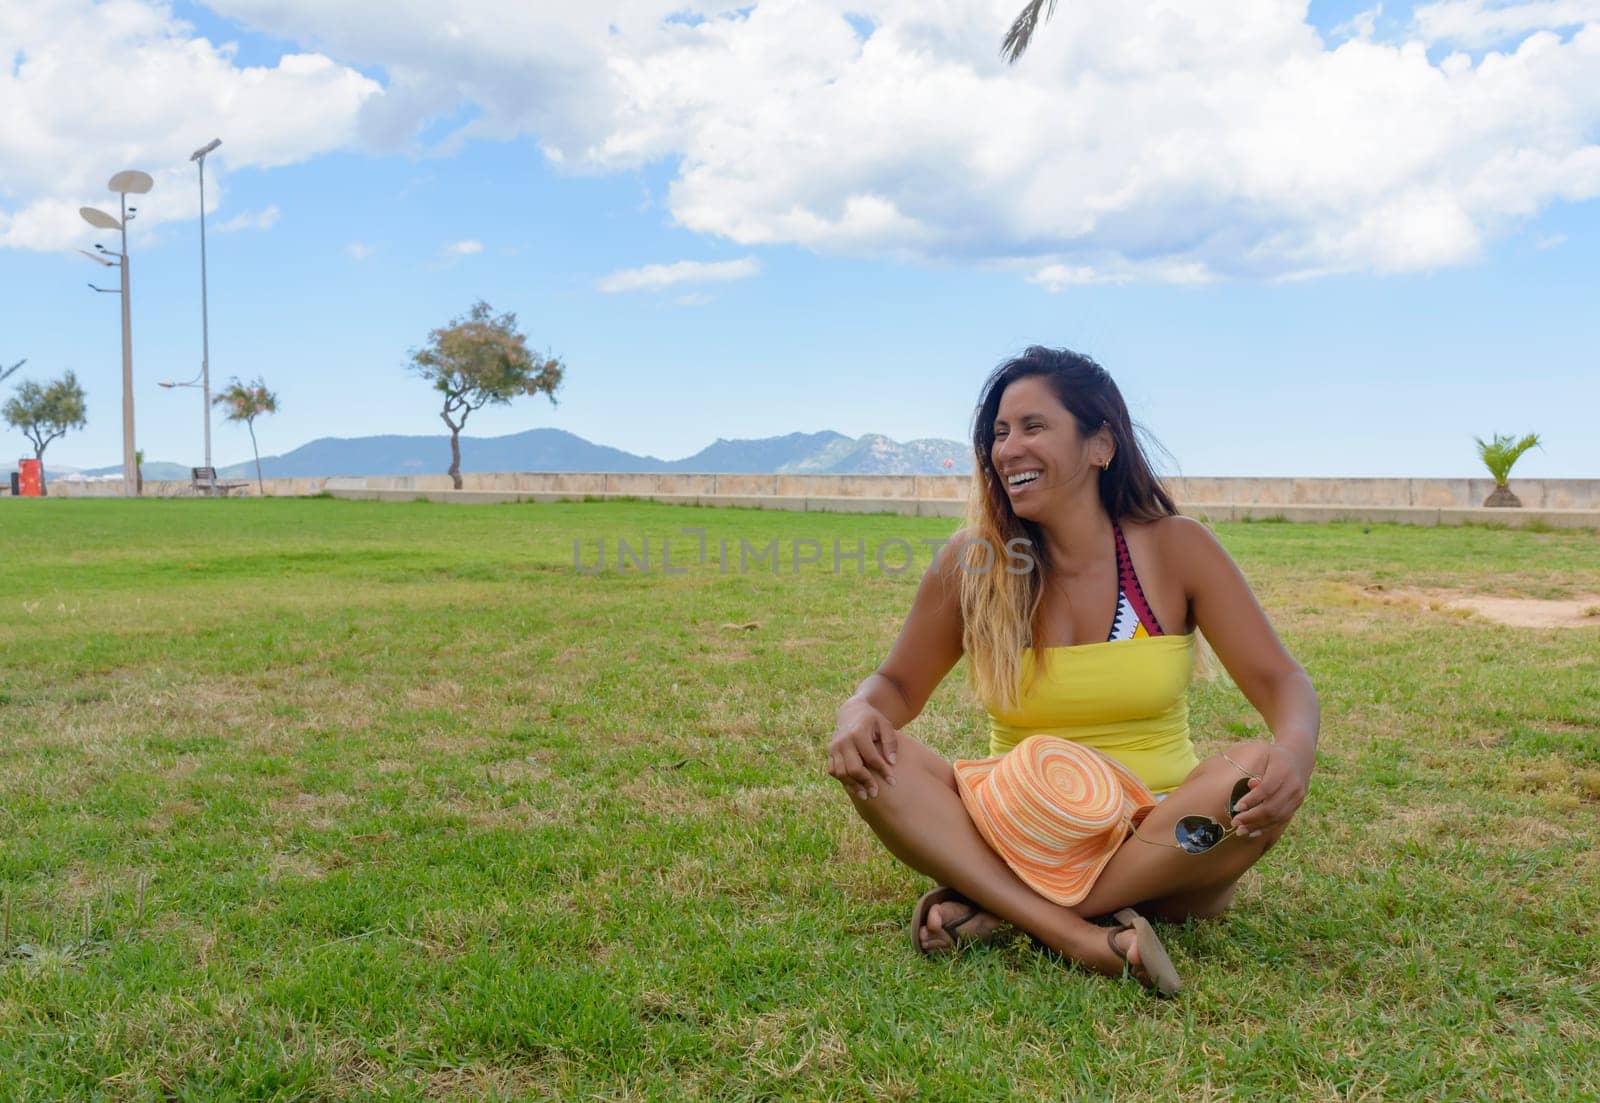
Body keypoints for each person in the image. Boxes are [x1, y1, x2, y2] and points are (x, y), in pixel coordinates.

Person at [826, 347, 1319, 994]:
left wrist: (1294, 753)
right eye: (999, 433)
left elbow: (1283, 681)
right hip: (1019, 832)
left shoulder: (1176, 549)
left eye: (1033, 427)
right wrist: (858, 709)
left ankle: (1007, 909)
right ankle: (1083, 935)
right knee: (879, 762)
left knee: (1252, 769)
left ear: (1100, 445)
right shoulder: (972, 563)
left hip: (1162, 844)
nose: (1008, 450)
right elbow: (897, 686)